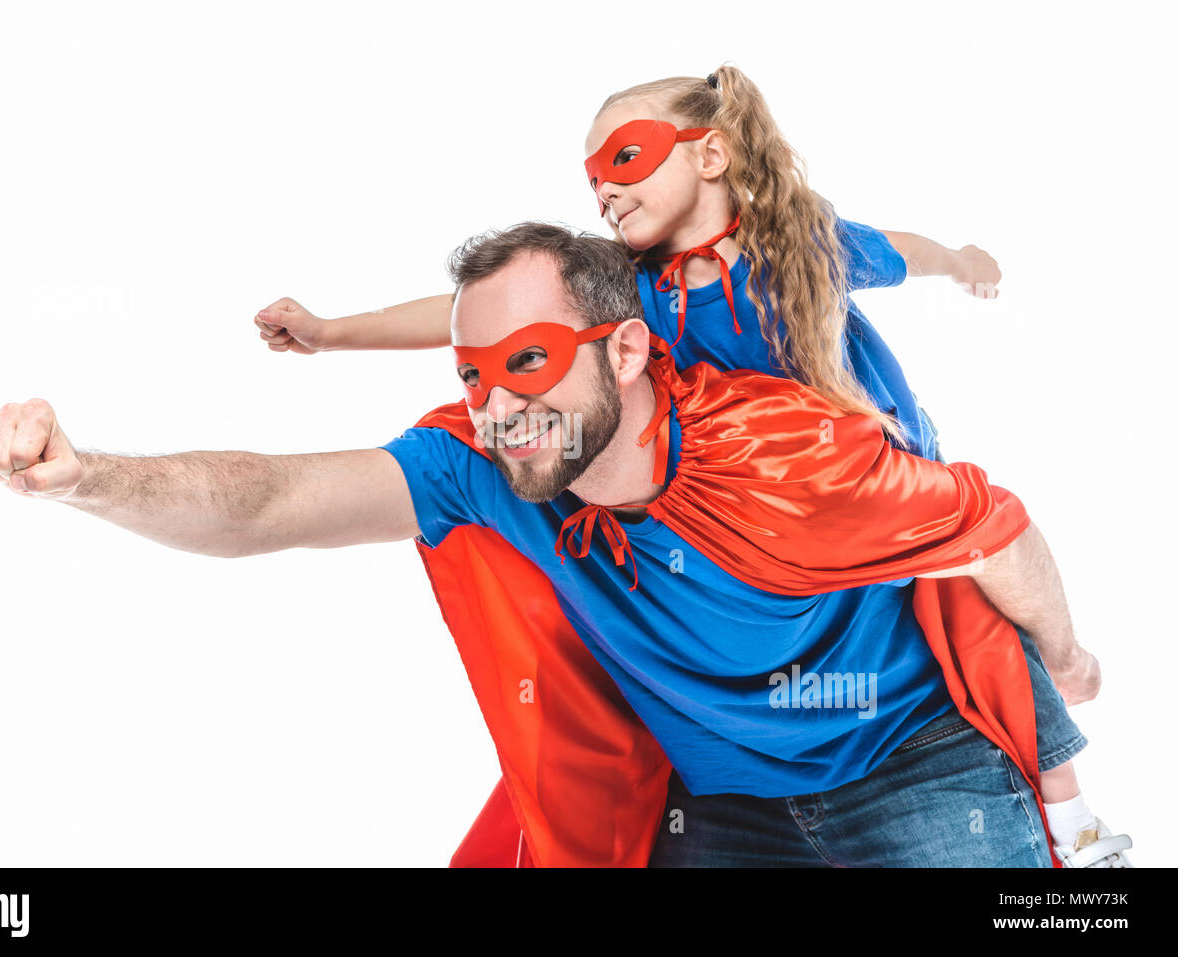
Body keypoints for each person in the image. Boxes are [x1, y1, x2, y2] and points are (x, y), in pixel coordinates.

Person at [0, 223, 1130, 867]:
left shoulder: (784, 451)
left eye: (526, 362)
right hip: (713, 808)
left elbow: (997, 528)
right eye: (470, 375)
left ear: (624, 350)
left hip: (912, 767)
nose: (493, 403)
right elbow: (266, 502)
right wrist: (86, 477)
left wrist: (1065, 656)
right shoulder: (484, 471)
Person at [250, 64, 1124, 866]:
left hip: (861, 488)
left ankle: (1073, 823)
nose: (606, 189)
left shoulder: (801, 247)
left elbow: (904, 253)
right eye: (593, 178)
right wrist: (333, 332)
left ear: (709, 154)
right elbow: (470, 319)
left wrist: (962, 262)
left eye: (626, 160)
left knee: (976, 625)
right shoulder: (633, 288)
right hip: (735, 520)